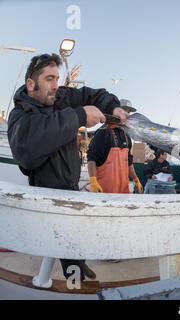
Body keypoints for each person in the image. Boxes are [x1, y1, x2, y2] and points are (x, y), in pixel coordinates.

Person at [7, 53, 128, 281]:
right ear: (31, 84)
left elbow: (92, 94)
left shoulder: (60, 97)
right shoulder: (20, 115)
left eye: (57, 79)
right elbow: (27, 151)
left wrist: (115, 106)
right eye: (49, 79)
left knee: (78, 237)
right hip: (48, 197)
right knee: (63, 243)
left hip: (72, 187)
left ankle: (78, 262)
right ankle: (75, 277)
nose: (56, 86)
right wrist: (79, 116)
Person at [87, 99, 143, 195]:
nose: (127, 114)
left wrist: (136, 179)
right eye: (124, 109)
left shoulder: (127, 136)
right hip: (104, 193)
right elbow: (91, 158)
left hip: (124, 193)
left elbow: (129, 162)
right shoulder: (103, 132)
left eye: (128, 112)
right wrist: (93, 181)